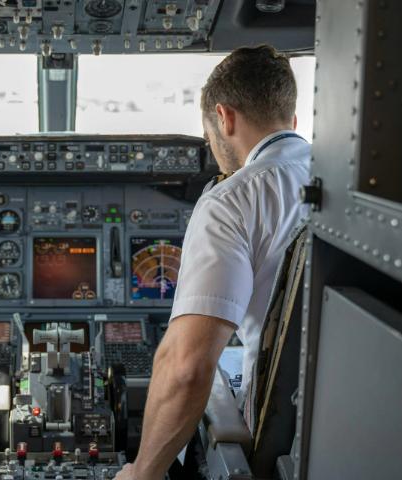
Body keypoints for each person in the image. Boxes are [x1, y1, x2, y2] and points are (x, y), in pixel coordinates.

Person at [115, 45, 310, 479]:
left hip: (276, 442)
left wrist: (141, 473)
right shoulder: (348, 184)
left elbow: (186, 367)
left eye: (209, 138)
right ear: (292, 122)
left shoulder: (234, 199)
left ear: (224, 118)